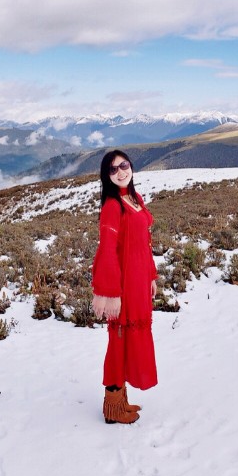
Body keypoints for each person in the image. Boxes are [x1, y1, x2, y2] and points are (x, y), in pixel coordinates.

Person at [90, 149, 156, 424]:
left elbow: (144, 244)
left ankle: (122, 400)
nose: (121, 172)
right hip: (124, 285)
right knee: (117, 343)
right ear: (107, 176)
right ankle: (112, 407)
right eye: (113, 169)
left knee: (128, 341)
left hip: (138, 282)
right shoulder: (112, 206)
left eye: (124, 165)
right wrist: (111, 294)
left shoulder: (134, 198)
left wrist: (151, 276)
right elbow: (106, 251)